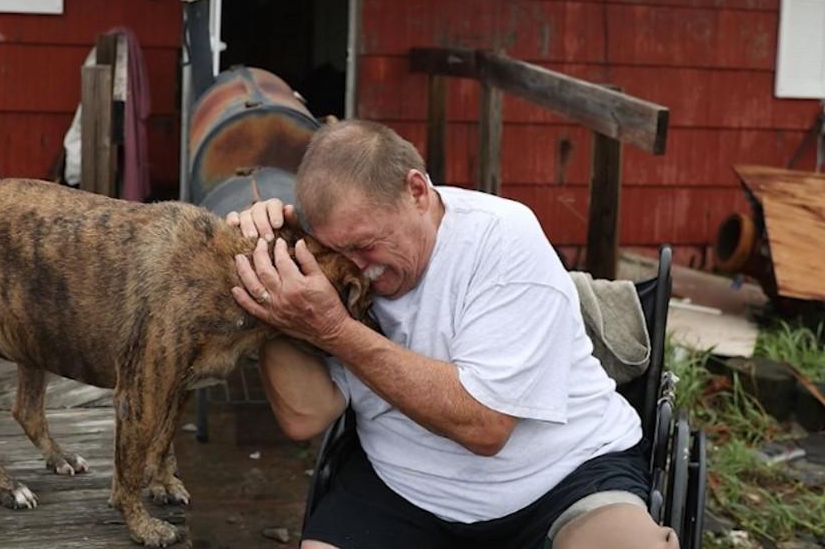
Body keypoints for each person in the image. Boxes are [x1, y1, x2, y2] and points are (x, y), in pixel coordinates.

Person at [227, 120, 679, 549]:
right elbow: (305, 417)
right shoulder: (333, 261)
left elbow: (484, 426)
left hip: (561, 476)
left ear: (417, 192)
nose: (357, 269)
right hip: (404, 486)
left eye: (365, 246)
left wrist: (334, 331)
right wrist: (270, 286)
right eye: (339, 251)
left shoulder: (501, 238)